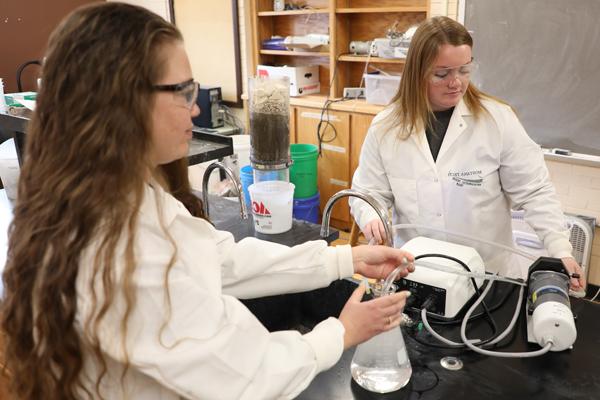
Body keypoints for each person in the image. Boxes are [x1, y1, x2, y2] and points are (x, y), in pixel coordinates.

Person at [0, 3, 415, 400]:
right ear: (122, 100)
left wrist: (344, 259)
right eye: (181, 91)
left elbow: (221, 262)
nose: (196, 106)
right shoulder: (120, 247)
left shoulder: (117, 193)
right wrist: (340, 333)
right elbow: (246, 374)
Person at [350, 16, 585, 289]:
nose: (456, 83)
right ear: (417, 71)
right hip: (417, 272)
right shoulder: (386, 127)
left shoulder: (496, 120)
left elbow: (534, 191)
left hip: (486, 278)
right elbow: (367, 192)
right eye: (442, 73)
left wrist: (560, 250)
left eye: (464, 69)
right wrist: (370, 217)